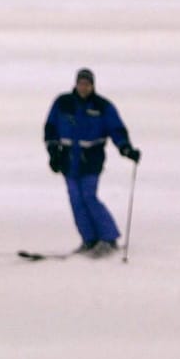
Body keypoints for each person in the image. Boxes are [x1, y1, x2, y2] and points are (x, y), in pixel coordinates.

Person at [43, 68, 138, 257]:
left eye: (87, 84)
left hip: (91, 161)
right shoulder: (63, 103)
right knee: (75, 200)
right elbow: (50, 128)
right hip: (68, 160)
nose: (83, 87)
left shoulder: (102, 106)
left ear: (92, 85)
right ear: (76, 84)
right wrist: (53, 153)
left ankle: (108, 238)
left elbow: (116, 129)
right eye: (81, 83)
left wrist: (126, 148)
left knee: (89, 196)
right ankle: (89, 239)